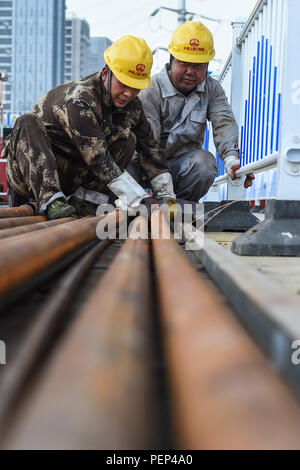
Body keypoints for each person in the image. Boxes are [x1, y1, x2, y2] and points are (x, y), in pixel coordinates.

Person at [2, 35, 175, 219]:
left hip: (71, 175)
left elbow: (151, 149)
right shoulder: (80, 100)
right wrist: (137, 199)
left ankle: (87, 202)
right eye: (124, 84)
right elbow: (98, 158)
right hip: (32, 174)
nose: (129, 93)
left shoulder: (132, 107)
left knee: (128, 139)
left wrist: (167, 197)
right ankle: (50, 201)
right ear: (106, 73)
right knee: (27, 122)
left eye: (136, 87)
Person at [134, 21, 254, 203]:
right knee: (125, 164)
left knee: (205, 163)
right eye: (184, 63)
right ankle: (135, 205)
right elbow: (148, 144)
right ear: (171, 59)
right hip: (146, 163)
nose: (190, 72)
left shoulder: (212, 89)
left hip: (180, 167)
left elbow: (223, 122)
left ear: (207, 65)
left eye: (199, 66)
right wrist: (161, 184)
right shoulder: (151, 89)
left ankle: (181, 208)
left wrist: (232, 159)